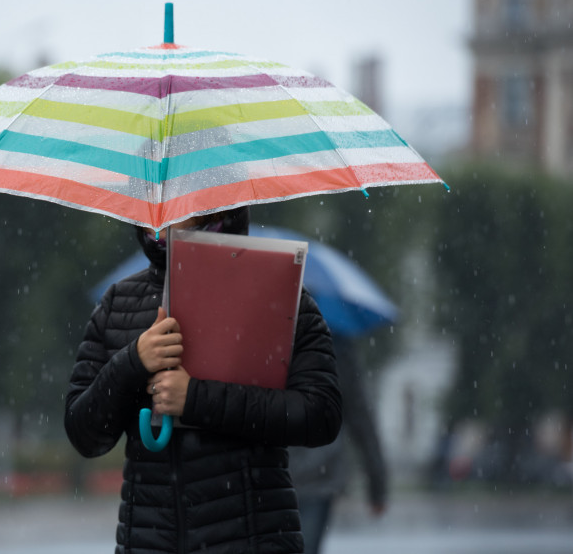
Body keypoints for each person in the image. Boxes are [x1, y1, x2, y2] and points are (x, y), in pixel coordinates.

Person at [64, 206, 343, 554]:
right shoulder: (118, 302)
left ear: (216, 203)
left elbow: (321, 414)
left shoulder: (279, 294)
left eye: (183, 196)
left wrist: (194, 398)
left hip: (255, 539)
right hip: (149, 544)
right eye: (156, 192)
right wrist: (133, 361)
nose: (163, 205)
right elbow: (84, 434)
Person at [290, 336, 388, 554]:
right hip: (320, 472)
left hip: (276, 471)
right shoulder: (337, 347)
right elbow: (361, 418)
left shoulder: (267, 338)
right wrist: (377, 483)